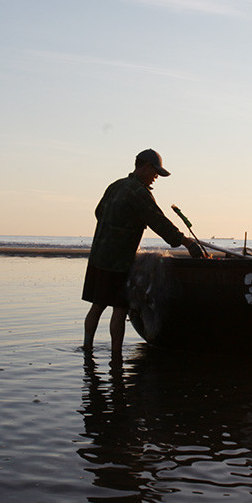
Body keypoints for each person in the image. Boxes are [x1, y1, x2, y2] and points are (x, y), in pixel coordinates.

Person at [82, 149, 202, 356]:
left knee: (97, 305)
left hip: (98, 256)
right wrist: (186, 242)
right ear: (145, 166)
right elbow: (159, 222)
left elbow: (98, 212)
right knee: (120, 308)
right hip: (118, 261)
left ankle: (87, 348)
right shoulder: (139, 192)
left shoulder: (115, 186)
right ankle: (116, 358)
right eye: (155, 172)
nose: (156, 177)